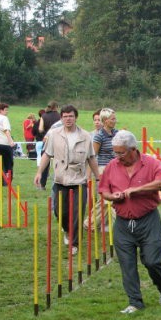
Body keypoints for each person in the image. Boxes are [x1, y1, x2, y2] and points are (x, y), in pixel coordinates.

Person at [99, 130, 161, 313]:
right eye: (115, 152)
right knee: (127, 264)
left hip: (148, 220)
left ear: (133, 150)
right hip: (123, 223)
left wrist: (137, 189)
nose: (117, 156)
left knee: (152, 261)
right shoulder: (111, 166)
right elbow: (103, 191)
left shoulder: (151, 163)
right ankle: (135, 302)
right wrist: (112, 196)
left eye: (121, 152)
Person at [34, 105, 100, 254]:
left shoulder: (85, 136)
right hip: (60, 180)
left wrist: (98, 176)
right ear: (61, 118)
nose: (68, 119)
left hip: (79, 181)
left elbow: (91, 158)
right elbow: (47, 155)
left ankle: (74, 243)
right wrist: (39, 173)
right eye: (65, 116)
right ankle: (67, 230)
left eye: (70, 116)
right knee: (60, 212)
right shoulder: (54, 134)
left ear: (75, 117)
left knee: (77, 213)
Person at [86, 107, 118, 231]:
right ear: (105, 120)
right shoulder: (99, 137)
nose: (115, 121)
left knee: (109, 199)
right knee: (105, 200)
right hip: (103, 169)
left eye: (115, 118)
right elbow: (92, 156)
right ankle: (91, 224)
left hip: (116, 168)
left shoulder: (117, 133)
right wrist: (89, 174)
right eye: (112, 119)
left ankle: (93, 223)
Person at [36, 101, 62, 190]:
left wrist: (45, 133)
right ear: (56, 107)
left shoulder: (44, 116)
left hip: (47, 140)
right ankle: (58, 182)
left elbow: (40, 129)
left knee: (45, 161)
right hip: (59, 140)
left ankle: (42, 184)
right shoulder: (60, 116)